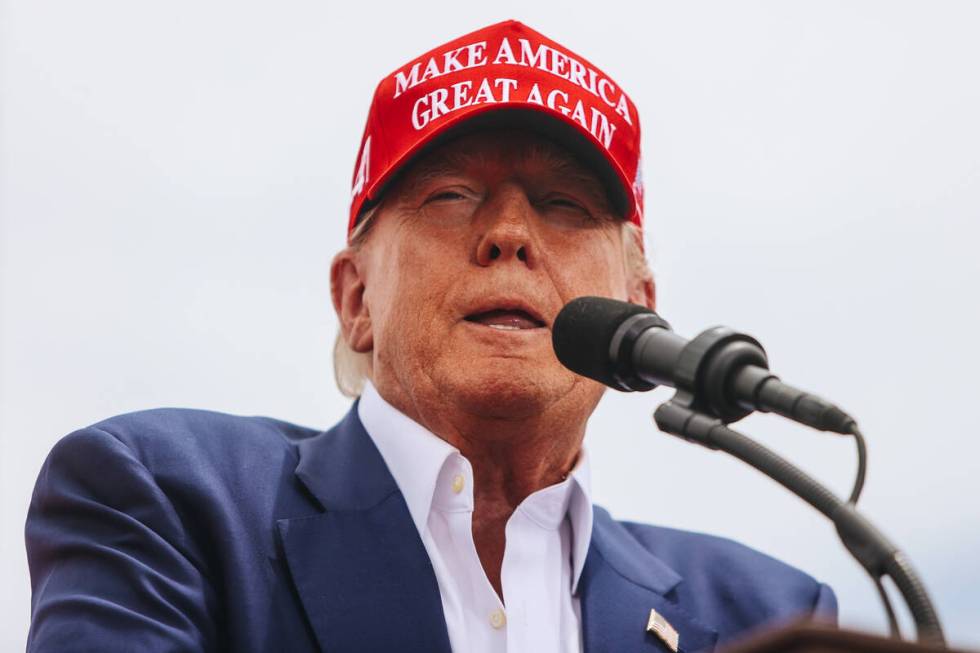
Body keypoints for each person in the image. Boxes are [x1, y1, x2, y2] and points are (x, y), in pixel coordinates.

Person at [25, 20, 836, 653]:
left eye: (564, 205)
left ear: (639, 303)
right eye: (452, 194)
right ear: (355, 299)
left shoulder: (765, 615)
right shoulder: (172, 503)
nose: (510, 234)